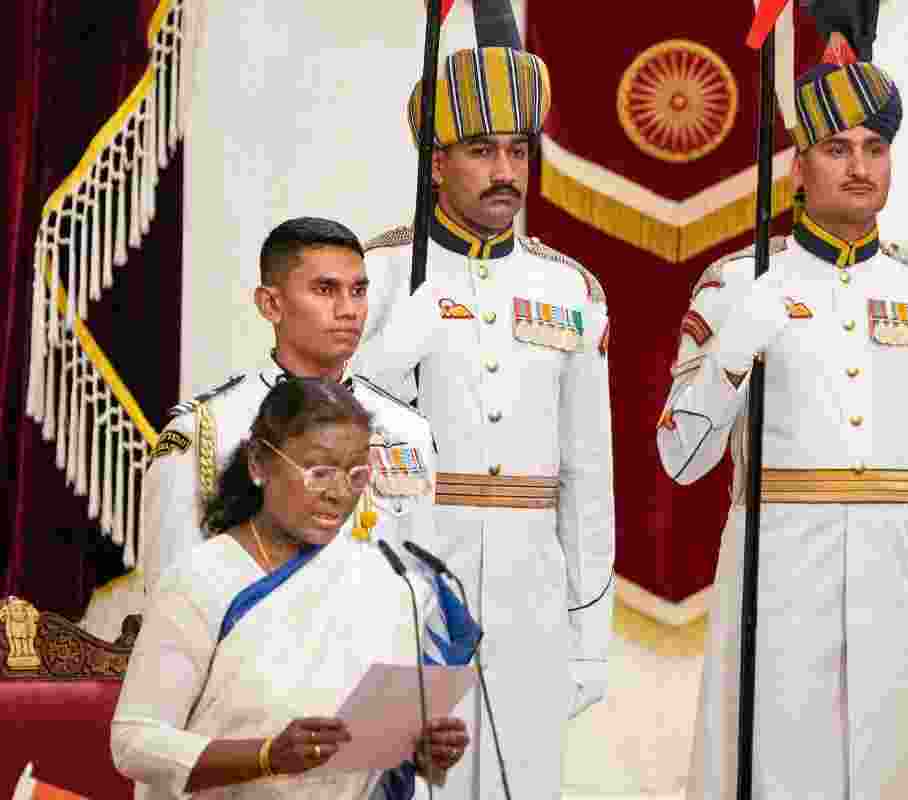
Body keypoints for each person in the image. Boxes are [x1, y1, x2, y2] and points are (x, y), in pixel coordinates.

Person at [656, 62, 908, 798]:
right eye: (836, 148)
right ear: (798, 166)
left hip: (894, 576)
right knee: (773, 771)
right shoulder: (736, 283)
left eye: (875, 147)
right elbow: (680, 459)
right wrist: (735, 348)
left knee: (882, 775)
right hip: (777, 567)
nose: (859, 166)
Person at [355, 38, 615, 800]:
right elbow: (329, 432)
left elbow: (589, 474)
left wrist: (589, 638)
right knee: (404, 784)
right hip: (405, 567)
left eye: (517, 151)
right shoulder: (375, 273)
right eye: (479, 150)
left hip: (531, 588)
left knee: (522, 784)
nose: (505, 172)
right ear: (436, 165)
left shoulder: (569, 288)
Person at [112, 378, 472, 799]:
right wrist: (267, 756)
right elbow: (134, 743)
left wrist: (422, 751)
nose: (339, 493)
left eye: (356, 475)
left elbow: (378, 758)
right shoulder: (201, 578)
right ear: (259, 463)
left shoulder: (381, 580)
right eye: (319, 471)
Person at [95, 217, 438, 637]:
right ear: (270, 304)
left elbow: (422, 590)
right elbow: (173, 606)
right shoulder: (206, 433)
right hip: (251, 684)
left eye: (359, 290)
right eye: (325, 289)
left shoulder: (406, 430)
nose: (349, 310)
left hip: (372, 687)